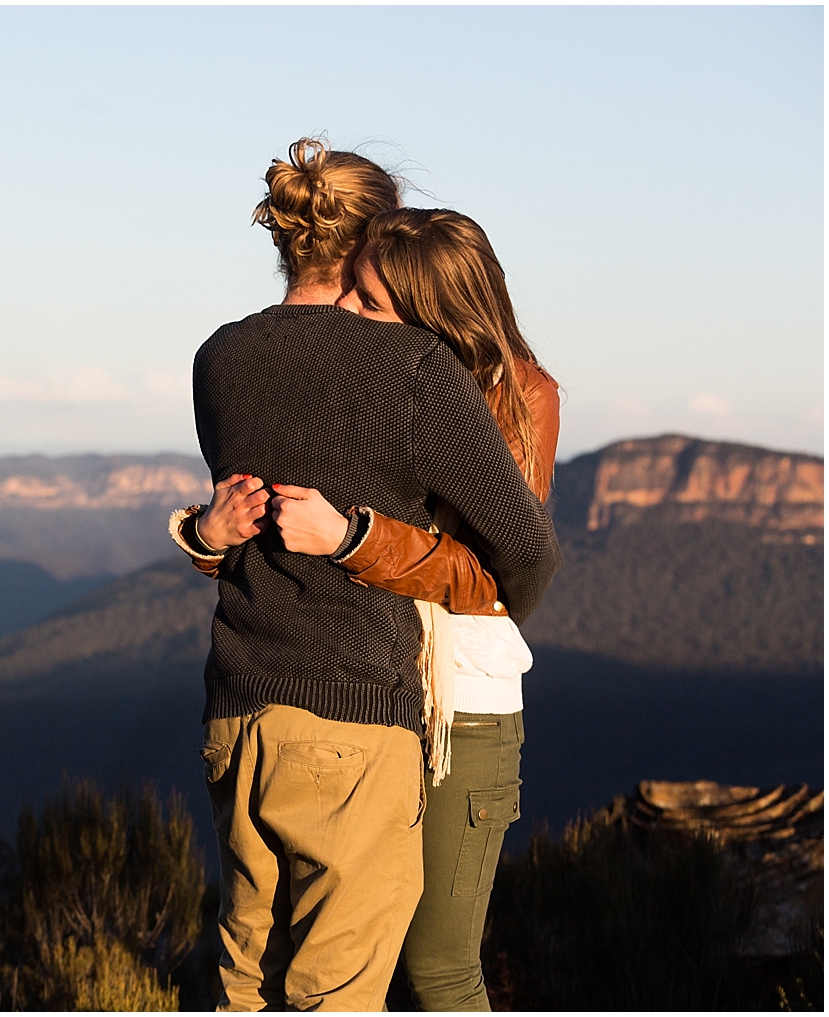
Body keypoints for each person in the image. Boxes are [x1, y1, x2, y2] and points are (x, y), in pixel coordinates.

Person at [171, 139, 561, 1012]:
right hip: (355, 717)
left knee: (248, 979)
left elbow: (247, 522)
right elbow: (525, 550)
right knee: (339, 991)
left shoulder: (217, 358)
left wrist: (200, 535)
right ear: (372, 239)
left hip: (236, 713)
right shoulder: (412, 369)